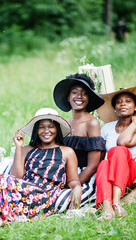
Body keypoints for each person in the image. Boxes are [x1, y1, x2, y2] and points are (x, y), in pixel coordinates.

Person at [95, 86, 136, 220]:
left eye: (128, 101)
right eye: (118, 102)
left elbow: (122, 142)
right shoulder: (107, 128)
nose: (122, 103)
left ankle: (116, 202)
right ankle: (107, 209)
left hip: (134, 175)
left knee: (119, 150)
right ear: (115, 108)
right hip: (113, 172)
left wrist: (135, 123)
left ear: (135, 108)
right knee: (104, 164)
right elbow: (101, 154)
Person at [52, 73, 106, 213]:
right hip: (66, 173)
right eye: (74, 92)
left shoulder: (91, 123)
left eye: (84, 93)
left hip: (85, 177)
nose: (79, 96)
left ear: (89, 98)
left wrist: (69, 185)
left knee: (62, 201)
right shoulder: (66, 123)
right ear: (68, 98)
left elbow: (93, 165)